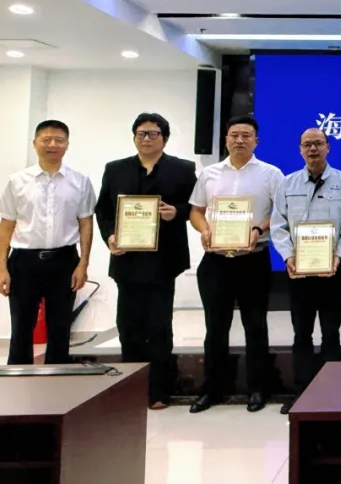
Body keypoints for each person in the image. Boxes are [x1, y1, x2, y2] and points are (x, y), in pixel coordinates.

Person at [94, 113, 197, 408]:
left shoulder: (183, 169)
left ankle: (159, 392)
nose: (146, 139)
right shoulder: (115, 169)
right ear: (134, 137)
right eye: (141, 133)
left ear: (164, 138)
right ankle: (132, 392)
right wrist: (110, 237)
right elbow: (103, 210)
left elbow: (195, 206)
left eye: (153, 133)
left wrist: (176, 212)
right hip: (127, 259)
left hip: (164, 260)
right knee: (128, 327)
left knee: (159, 327)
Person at [188, 115, 284, 413]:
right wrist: (205, 230)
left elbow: (282, 213)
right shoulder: (209, 174)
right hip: (216, 262)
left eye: (246, 135)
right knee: (215, 328)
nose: (240, 140)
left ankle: (257, 388)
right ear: (226, 139)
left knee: (255, 326)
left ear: (256, 141)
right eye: (234, 135)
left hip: (253, 260)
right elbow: (196, 210)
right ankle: (212, 389)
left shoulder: (271, 174)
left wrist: (258, 229)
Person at [270, 127, 341, 414]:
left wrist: (338, 257)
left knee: (331, 333)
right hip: (299, 271)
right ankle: (302, 392)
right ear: (300, 150)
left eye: (318, 143)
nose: (313, 149)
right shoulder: (288, 183)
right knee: (301, 334)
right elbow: (278, 225)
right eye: (307, 144)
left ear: (328, 147)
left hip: (332, 270)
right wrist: (288, 256)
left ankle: (333, 393)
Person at [0, 120, 95, 365]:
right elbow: (7, 225)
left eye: (59, 140)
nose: (52, 144)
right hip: (24, 262)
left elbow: (86, 223)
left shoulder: (80, 181)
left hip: (64, 261)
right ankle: (18, 380)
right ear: (35, 143)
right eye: (46, 139)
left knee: (60, 328)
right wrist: (2, 268)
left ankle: (57, 379)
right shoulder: (17, 181)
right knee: (21, 327)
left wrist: (83, 264)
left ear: (67, 145)